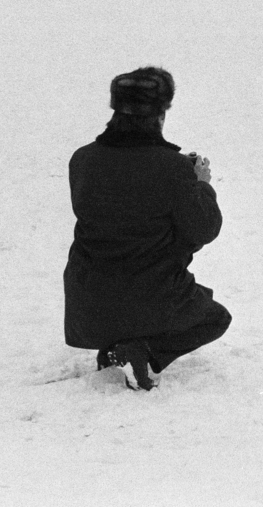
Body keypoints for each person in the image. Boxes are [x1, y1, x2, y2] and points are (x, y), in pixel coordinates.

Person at [63, 67, 229, 391]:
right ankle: (144, 353)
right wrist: (199, 185)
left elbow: (116, 218)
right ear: (160, 115)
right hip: (146, 299)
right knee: (215, 317)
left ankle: (115, 348)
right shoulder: (173, 169)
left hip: (87, 305)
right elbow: (204, 228)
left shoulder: (81, 160)